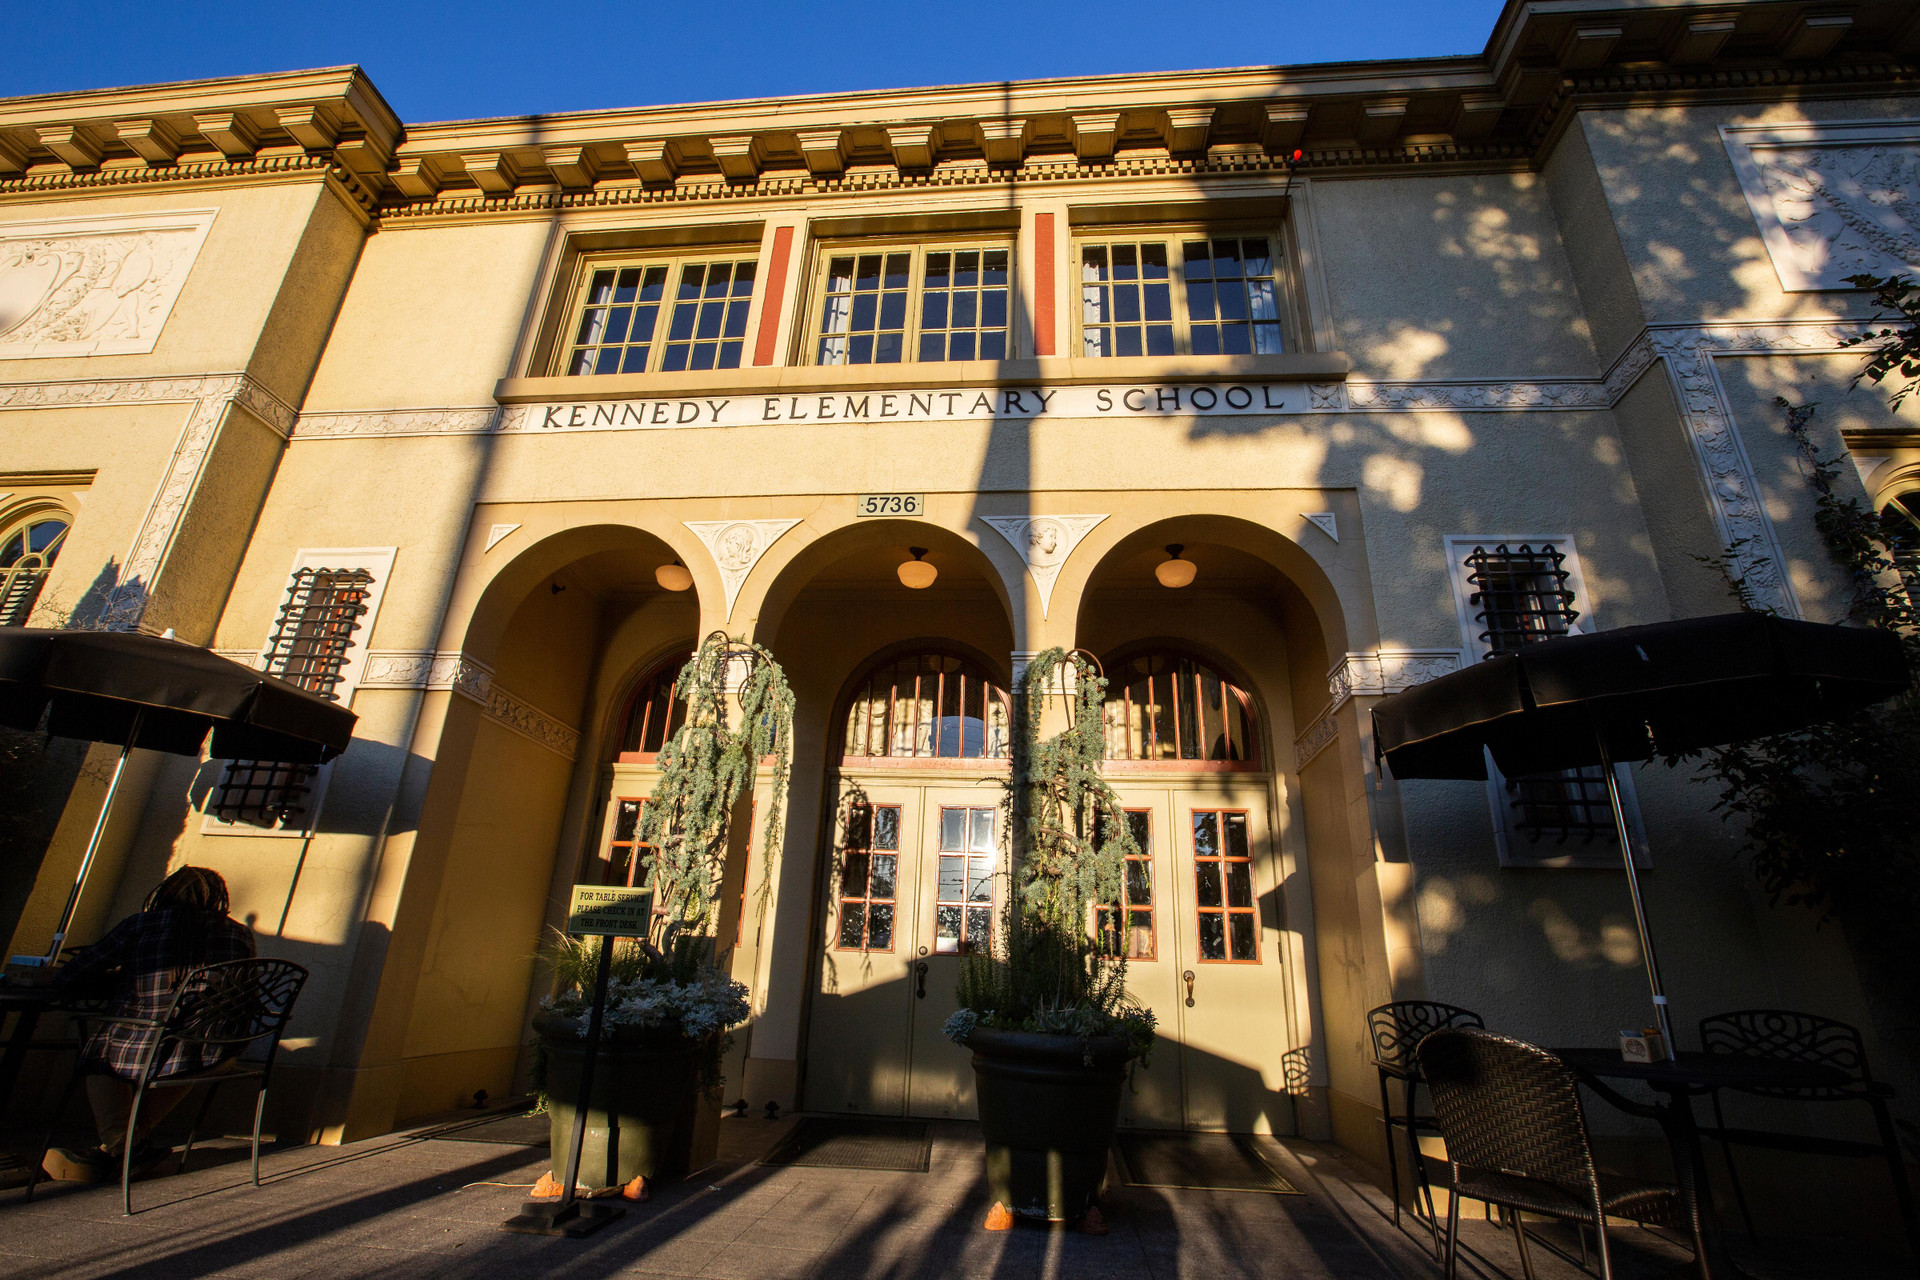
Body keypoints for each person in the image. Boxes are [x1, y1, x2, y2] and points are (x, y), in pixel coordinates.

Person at [44, 866, 255, 1181]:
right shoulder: (238, 933)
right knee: (183, 1052)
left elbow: (72, 975)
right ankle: (125, 1150)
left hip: (143, 1046)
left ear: (163, 893)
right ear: (219, 899)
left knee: (98, 1053)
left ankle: (123, 1148)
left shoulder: (141, 925)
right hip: (212, 1052)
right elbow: (245, 996)